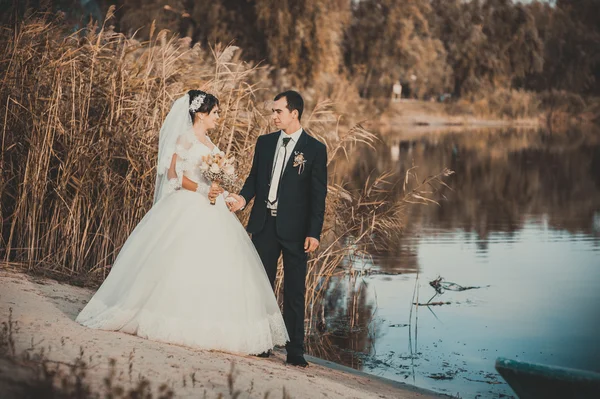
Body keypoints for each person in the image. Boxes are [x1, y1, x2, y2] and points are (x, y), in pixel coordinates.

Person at [76, 90, 288, 355]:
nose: (218, 118)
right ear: (200, 114)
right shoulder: (184, 140)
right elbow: (174, 177)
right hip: (187, 205)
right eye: (215, 113)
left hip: (214, 208)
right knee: (179, 260)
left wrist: (224, 193)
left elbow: (214, 181)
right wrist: (201, 190)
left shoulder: (211, 143)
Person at [227, 91, 328, 368]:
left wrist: (314, 232)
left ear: (294, 113)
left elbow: (318, 196)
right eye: (273, 111)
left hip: (296, 231)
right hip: (264, 225)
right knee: (262, 286)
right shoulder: (265, 142)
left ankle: (295, 350)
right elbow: (253, 179)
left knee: (295, 291)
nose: (273, 116)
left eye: (278, 111)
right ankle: (262, 343)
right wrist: (242, 200)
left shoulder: (315, 149)